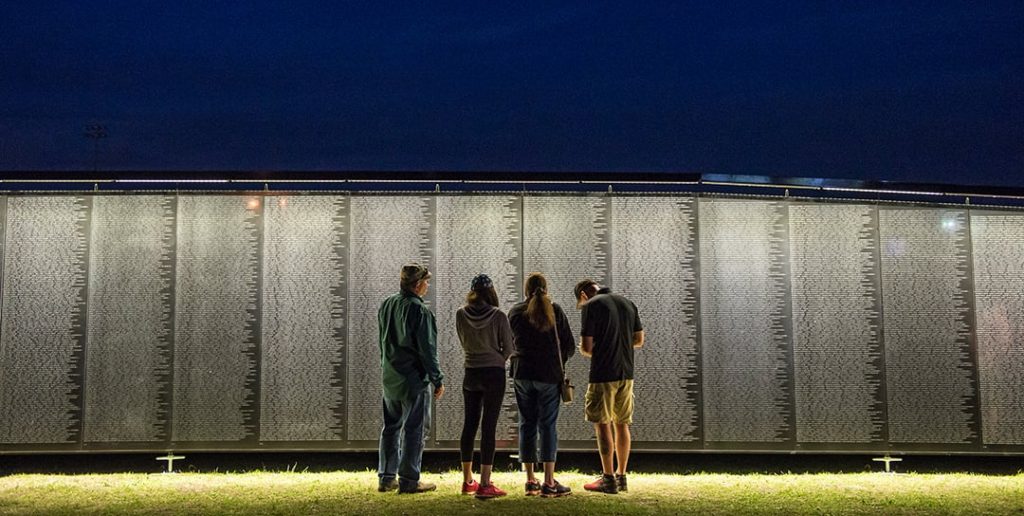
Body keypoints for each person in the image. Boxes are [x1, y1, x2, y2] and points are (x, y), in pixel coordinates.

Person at [377, 263, 445, 494]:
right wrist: (437, 379)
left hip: (390, 378)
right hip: (413, 381)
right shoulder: (420, 311)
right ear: (417, 285)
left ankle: (386, 477)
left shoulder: (387, 304)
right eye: (426, 282)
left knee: (391, 428)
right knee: (415, 429)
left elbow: (382, 342)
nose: (427, 286)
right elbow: (427, 349)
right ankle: (408, 479)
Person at [573, 279, 644, 495]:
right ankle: (621, 476)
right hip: (626, 373)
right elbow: (639, 340)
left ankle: (608, 478)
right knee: (622, 424)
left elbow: (587, 347)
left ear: (584, 295)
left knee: (602, 424)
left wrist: (599, 349)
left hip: (603, 374)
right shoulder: (627, 303)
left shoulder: (591, 306)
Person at [508, 272, 575, 498]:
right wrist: (559, 361)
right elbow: (570, 345)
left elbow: (508, 344)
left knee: (527, 424)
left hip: (522, 374)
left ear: (526, 290)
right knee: (547, 426)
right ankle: (549, 481)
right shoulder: (554, 311)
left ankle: (530, 480)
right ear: (546, 289)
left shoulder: (515, 312)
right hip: (548, 375)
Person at [455, 274, 514, 499]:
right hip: (493, 374)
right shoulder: (498, 315)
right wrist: (497, 357)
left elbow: (463, 341)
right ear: (491, 292)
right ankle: (485, 483)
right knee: (488, 427)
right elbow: (509, 347)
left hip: (471, 372)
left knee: (469, 426)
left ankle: (467, 480)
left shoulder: (461, 313)